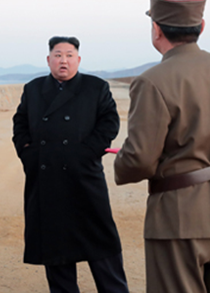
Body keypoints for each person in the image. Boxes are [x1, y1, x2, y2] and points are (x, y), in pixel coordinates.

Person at [113, 0, 210, 292]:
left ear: (156, 29)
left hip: (178, 217)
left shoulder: (151, 81)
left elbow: (139, 159)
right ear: (201, 27)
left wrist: (122, 166)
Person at [12, 36, 128, 293]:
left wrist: (88, 152)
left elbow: (109, 121)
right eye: (57, 54)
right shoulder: (33, 88)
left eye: (69, 55)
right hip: (46, 179)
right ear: (48, 59)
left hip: (84, 177)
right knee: (56, 249)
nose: (63, 60)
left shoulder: (96, 87)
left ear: (78, 59)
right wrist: (27, 153)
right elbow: (19, 123)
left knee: (102, 244)